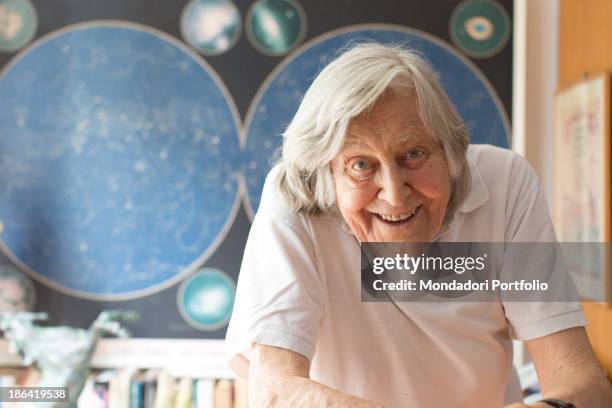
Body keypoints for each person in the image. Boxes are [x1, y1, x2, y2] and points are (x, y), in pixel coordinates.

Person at [225, 43, 612, 407]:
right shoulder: (294, 200)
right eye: (362, 165)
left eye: (413, 154)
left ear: (450, 149)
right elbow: (275, 391)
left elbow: (584, 382)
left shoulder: (504, 182)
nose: (394, 195)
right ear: (326, 171)